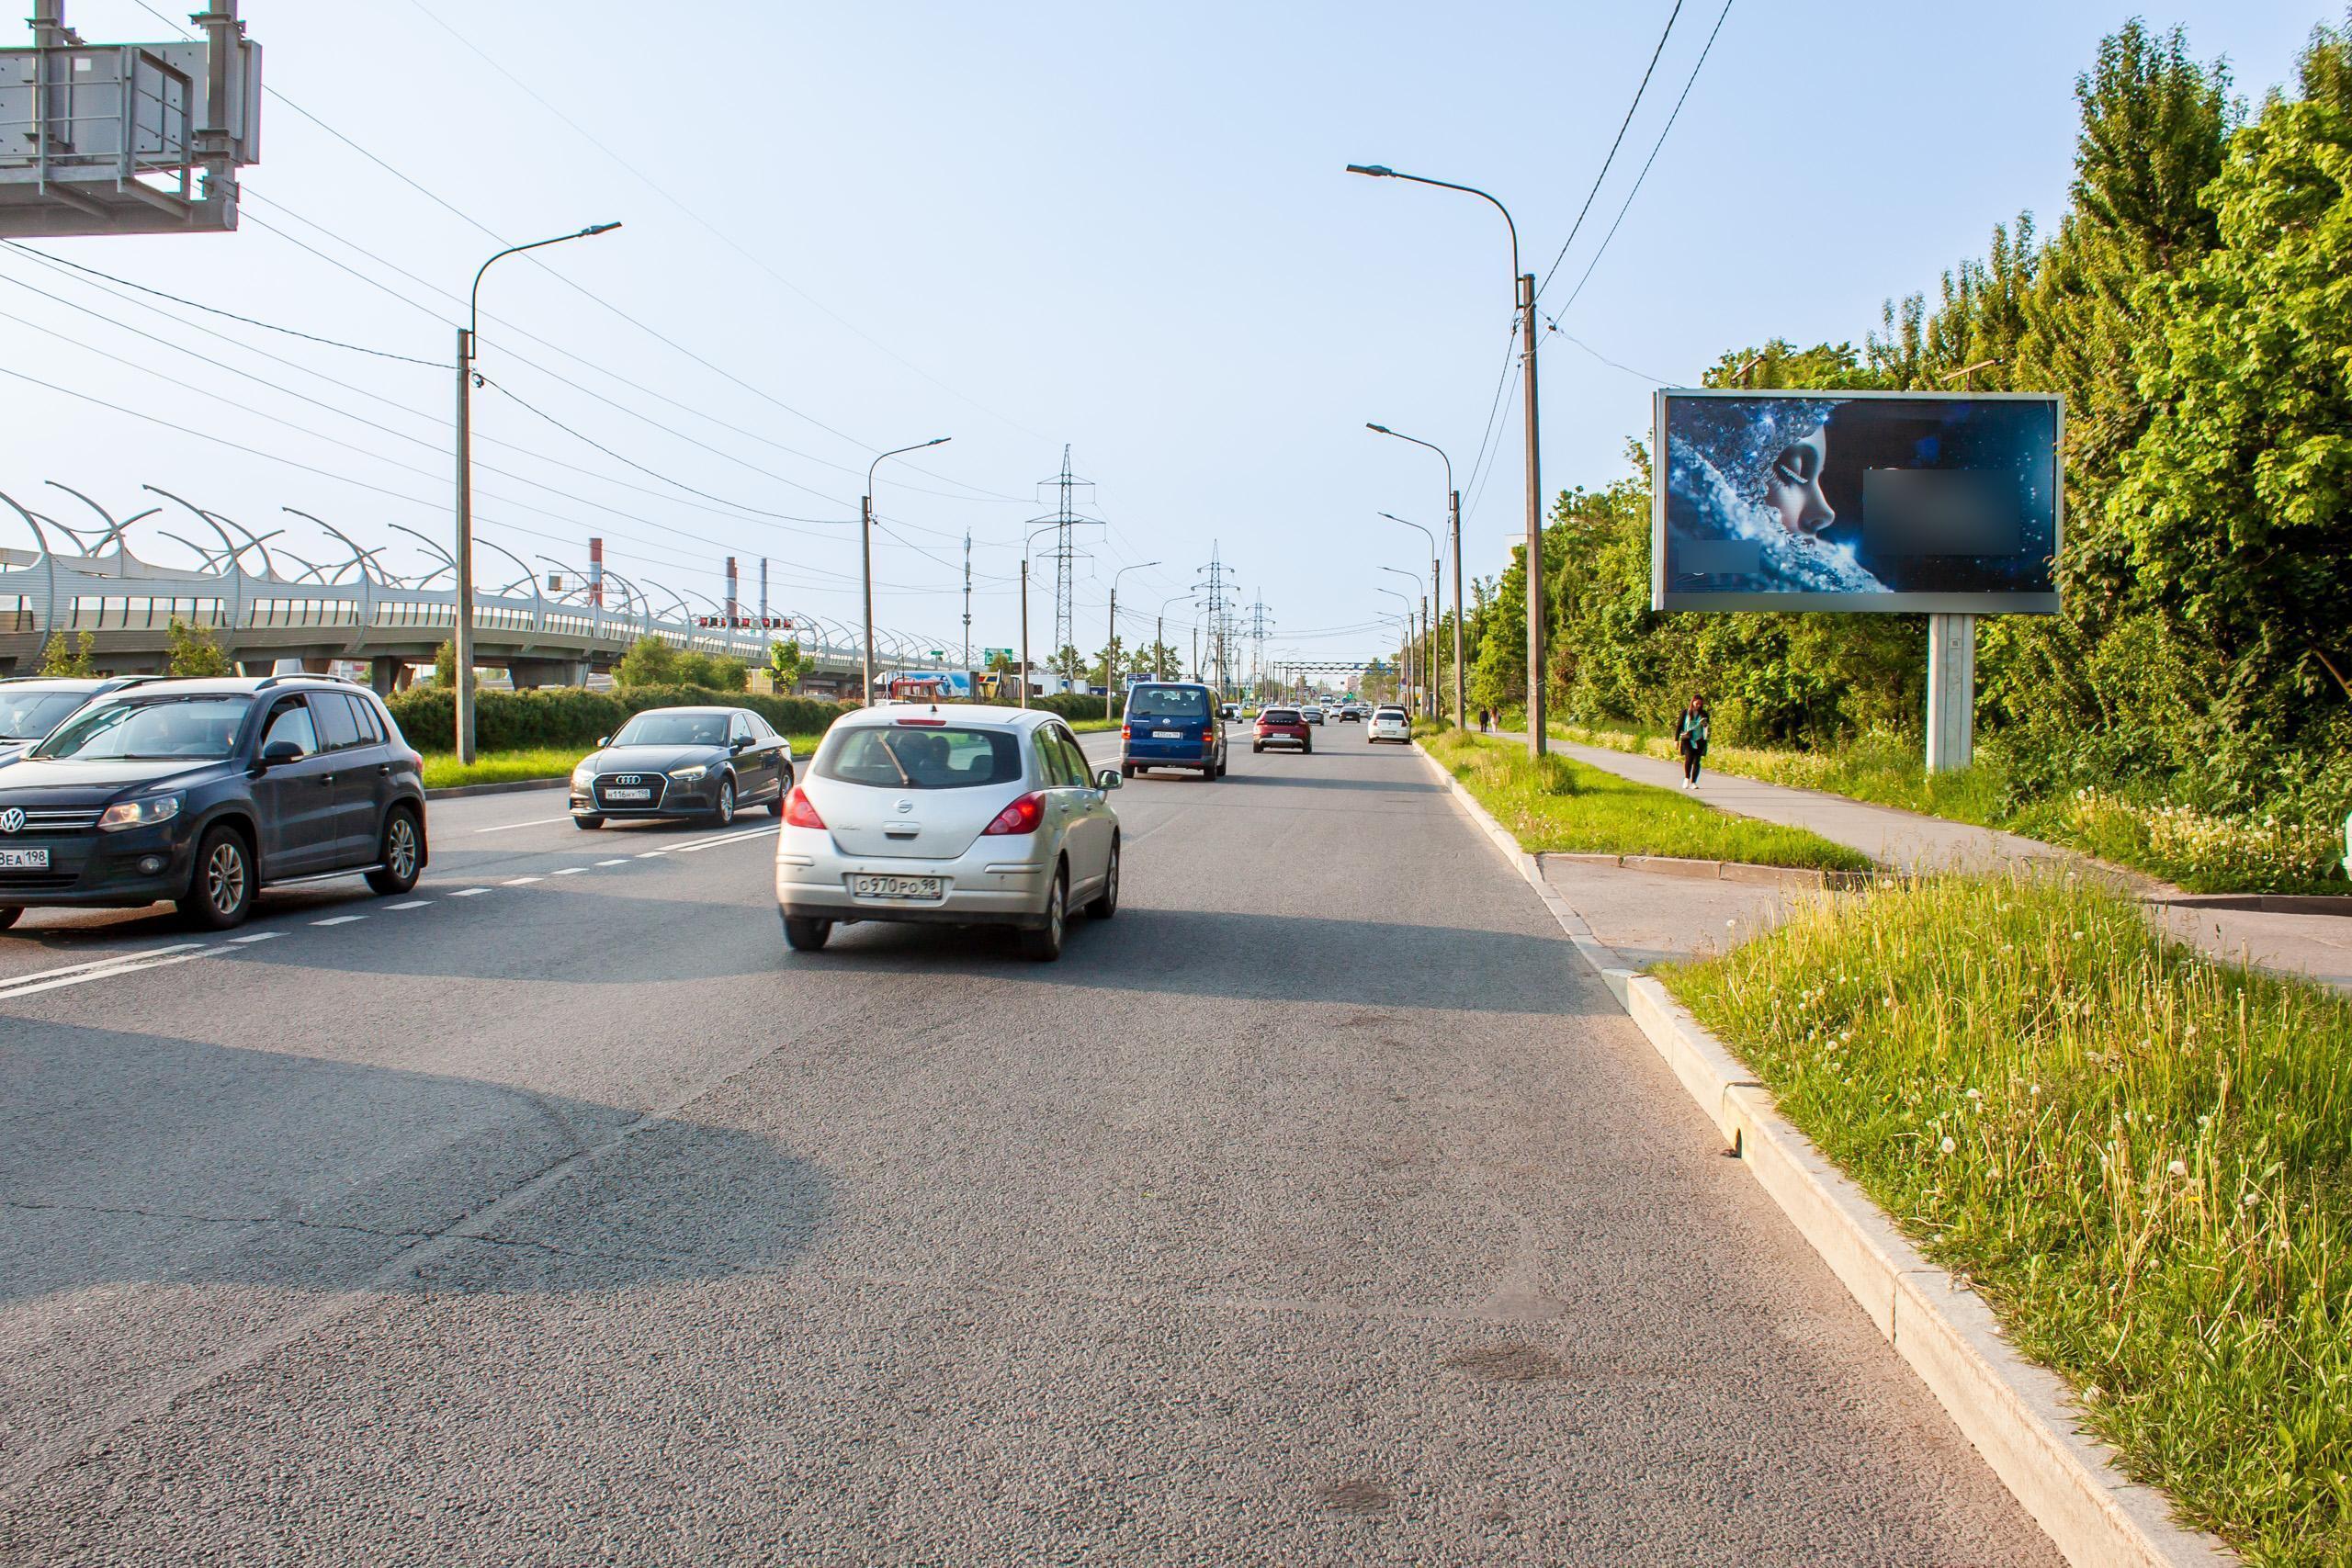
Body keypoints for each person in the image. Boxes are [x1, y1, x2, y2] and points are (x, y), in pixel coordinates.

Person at [1676, 695, 1710, 788]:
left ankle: (1693, 782)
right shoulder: (1685, 712)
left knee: (1697, 761)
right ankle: (1687, 778)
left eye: (1700, 704)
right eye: (1697, 703)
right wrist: (1676, 740)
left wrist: (1704, 724)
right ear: (1692, 702)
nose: (1698, 705)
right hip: (1687, 738)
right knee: (1689, 758)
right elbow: (1679, 726)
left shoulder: (1704, 713)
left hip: (1699, 739)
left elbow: (1707, 727)